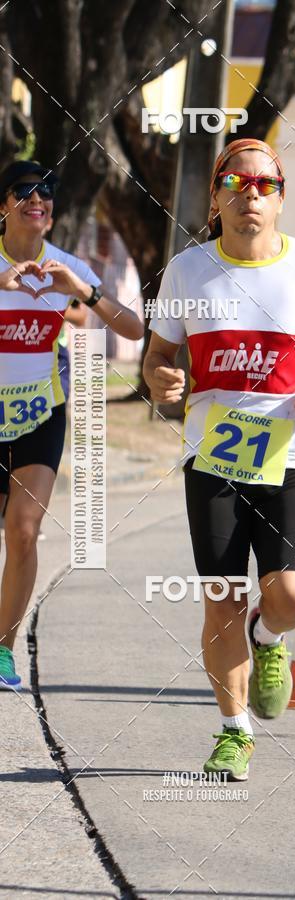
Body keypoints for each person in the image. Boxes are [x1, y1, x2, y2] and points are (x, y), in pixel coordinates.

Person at [144, 138, 295, 780]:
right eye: (237, 183)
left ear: (281, 198)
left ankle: (270, 639)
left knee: (294, 594)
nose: (251, 195)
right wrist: (161, 378)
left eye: (265, 185)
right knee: (222, 597)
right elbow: (159, 354)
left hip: (289, 453)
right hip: (211, 458)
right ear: (215, 196)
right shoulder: (188, 270)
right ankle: (234, 732)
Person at [0, 159, 144, 690]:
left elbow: (132, 327)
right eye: (24, 191)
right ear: (3, 205)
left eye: (47, 191)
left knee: (23, 530)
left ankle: (3, 651)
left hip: (40, 412)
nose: (38, 199)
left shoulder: (65, 265)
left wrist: (81, 291)